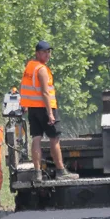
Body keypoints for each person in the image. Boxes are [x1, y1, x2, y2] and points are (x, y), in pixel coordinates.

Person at [19, 41, 78, 181]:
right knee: (54, 139)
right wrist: (50, 113)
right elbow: (45, 93)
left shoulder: (30, 66)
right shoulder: (42, 70)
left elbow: (26, 87)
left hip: (33, 109)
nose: (47, 55)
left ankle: (37, 173)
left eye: (49, 52)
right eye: (44, 52)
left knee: (36, 138)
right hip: (45, 108)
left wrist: (25, 105)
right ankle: (60, 171)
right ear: (37, 53)